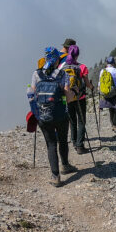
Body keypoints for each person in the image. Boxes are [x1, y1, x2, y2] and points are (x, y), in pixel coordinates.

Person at [27, 54, 77, 187]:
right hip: (60, 114)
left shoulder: (36, 74)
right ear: (57, 61)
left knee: (51, 144)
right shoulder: (62, 74)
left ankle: (55, 176)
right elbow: (69, 97)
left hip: (43, 115)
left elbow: (32, 93)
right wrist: (73, 92)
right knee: (62, 140)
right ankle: (65, 165)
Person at [61, 43, 93, 154]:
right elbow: (87, 84)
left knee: (72, 121)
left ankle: (74, 142)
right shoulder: (82, 67)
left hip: (68, 98)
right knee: (81, 121)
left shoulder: (63, 67)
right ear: (77, 55)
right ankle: (80, 146)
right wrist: (92, 87)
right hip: (80, 98)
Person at [99, 56, 116, 131]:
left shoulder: (102, 71)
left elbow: (99, 83)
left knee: (111, 108)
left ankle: (112, 125)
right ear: (113, 63)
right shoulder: (115, 70)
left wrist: (101, 91)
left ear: (107, 63)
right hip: (113, 92)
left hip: (105, 92)